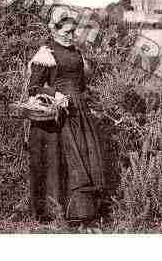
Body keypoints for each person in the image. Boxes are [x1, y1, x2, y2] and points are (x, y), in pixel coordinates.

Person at [26, 16, 105, 223]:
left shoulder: (77, 54)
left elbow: (81, 86)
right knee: (60, 162)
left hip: (80, 112)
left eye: (73, 32)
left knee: (86, 159)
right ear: (54, 31)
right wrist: (55, 94)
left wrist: (89, 102)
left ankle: (83, 213)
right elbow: (33, 87)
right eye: (66, 32)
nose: (71, 36)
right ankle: (56, 213)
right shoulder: (46, 53)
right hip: (58, 115)